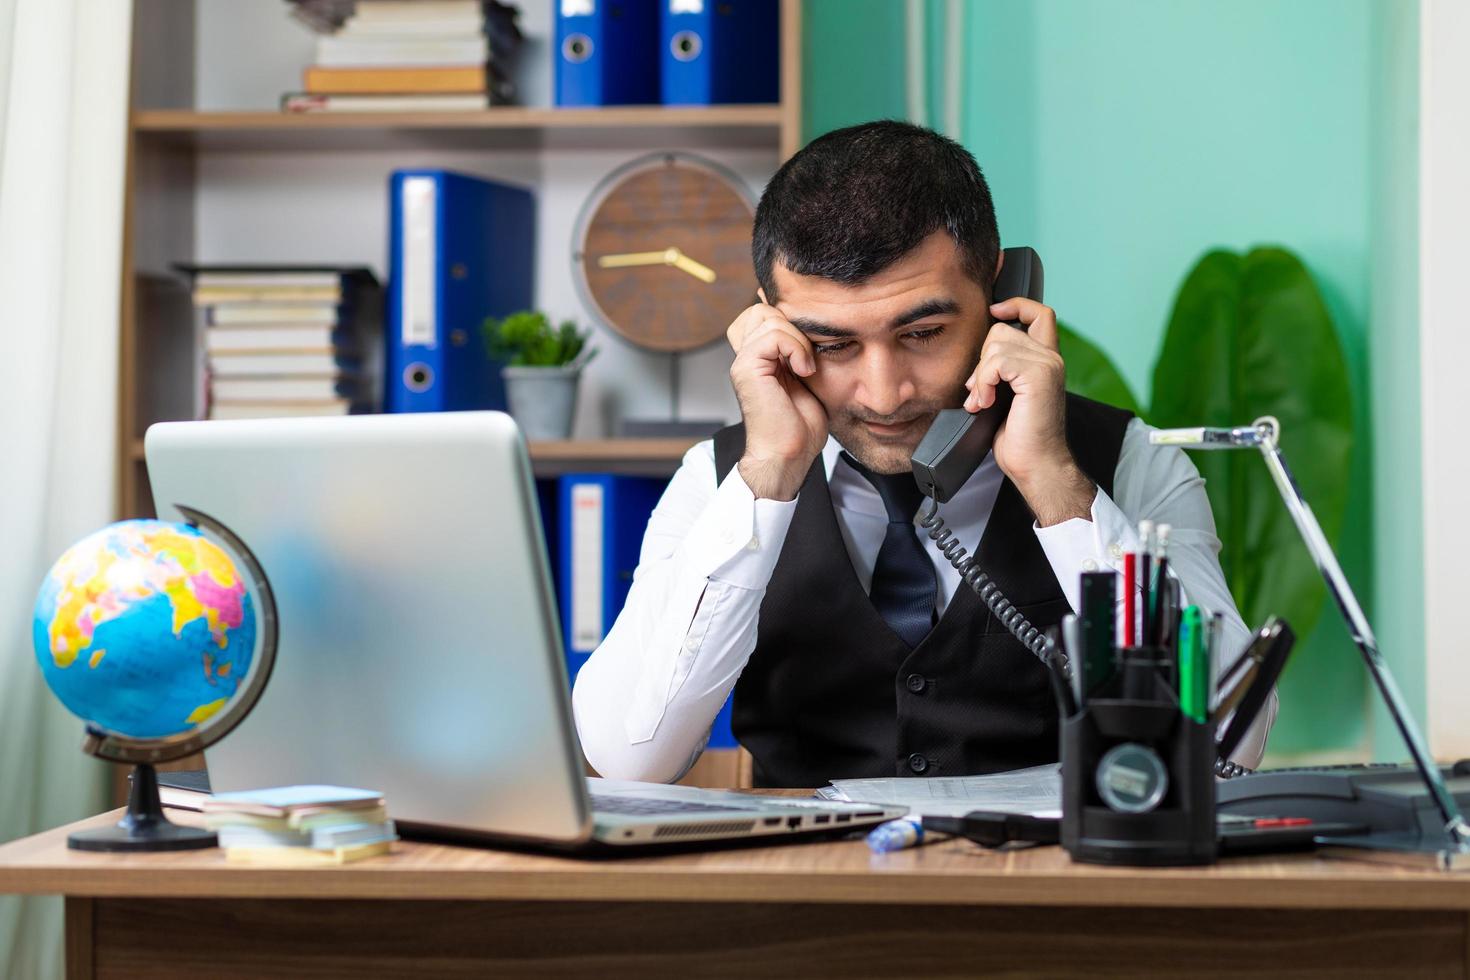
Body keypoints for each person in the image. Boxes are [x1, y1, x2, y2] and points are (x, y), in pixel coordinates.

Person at [572, 120, 1276, 787]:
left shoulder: (1129, 463)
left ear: (1003, 294)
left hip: (1054, 895)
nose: (883, 394)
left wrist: (1058, 488)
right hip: (804, 896)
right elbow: (630, 758)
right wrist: (768, 479)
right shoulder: (719, 479)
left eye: (922, 333)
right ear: (770, 323)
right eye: (831, 345)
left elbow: (1228, 747)